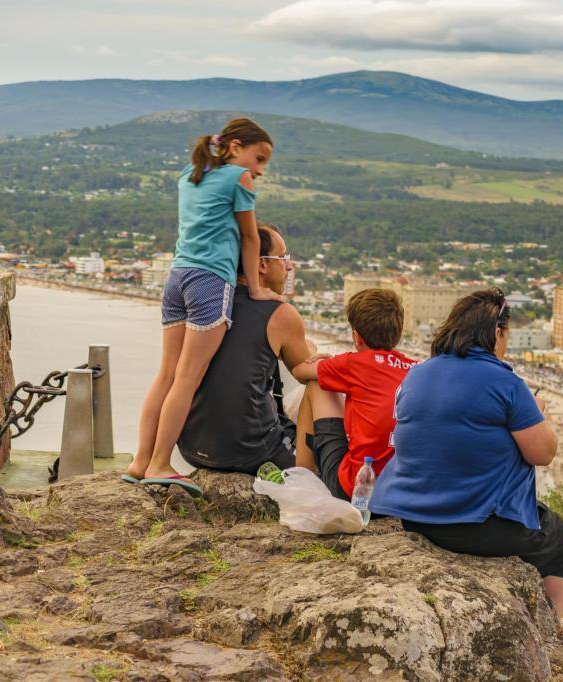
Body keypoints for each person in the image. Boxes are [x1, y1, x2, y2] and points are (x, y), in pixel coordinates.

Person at [370, 287, 563, 618]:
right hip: (469, 524)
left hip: (405, 513)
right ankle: (551, 631)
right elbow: (543, 453)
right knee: (562, 539)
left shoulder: (417, 374)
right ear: (497, 332)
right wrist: (536, 413)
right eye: (507, 334)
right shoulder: (506, 383)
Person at [126, 117, 281, 496]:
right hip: (210, 280)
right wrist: (258, 290)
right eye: (258, 158)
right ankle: (161, 464)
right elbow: (249, 238)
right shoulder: (237, 179)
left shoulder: (189, 174)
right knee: (187, 378)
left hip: (177, 277)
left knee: (165, 374)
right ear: (234, 147)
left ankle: (139, 461)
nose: (259, 170)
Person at [175, 223, 323, 476]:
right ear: (262, 264)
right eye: (283, 257)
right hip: (251, 452)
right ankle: (307, 476)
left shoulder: (206, 302)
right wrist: (312, 347)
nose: (289, 265)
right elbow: (304, 370)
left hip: (190, 448)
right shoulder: (280, 314)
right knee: (319, 386)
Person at [291, 288, 416, 500]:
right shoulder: (414, 368)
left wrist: (320, 360)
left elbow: (299, 372)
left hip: (356, 490)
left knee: (315, 385)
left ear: (356, 337)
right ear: (399, 332)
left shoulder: (354, 364)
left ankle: (302, 483)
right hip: (397, 492)